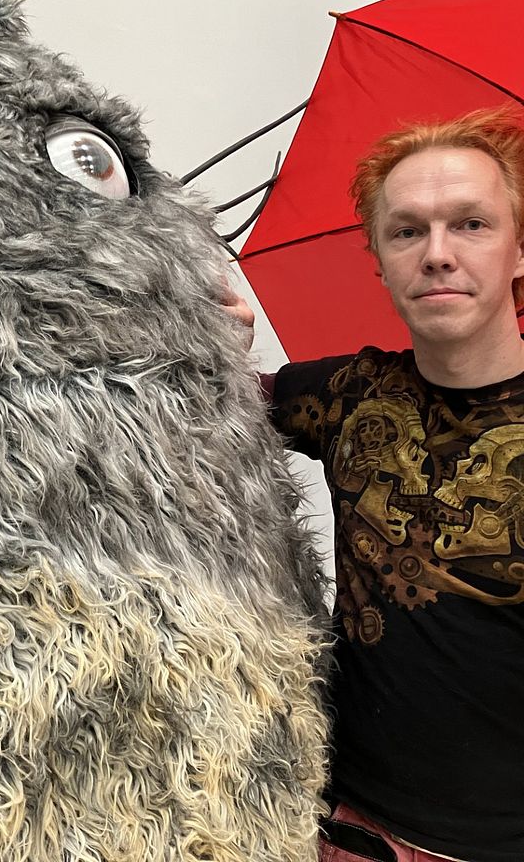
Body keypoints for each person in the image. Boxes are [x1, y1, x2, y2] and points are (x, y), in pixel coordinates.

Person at [222, 108, 524, 862]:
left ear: (520, 249)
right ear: (380, 261)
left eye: (472, 224)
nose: (438, 254)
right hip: (342, 828)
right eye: (407, 231)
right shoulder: (351, 395)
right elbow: (198, 411)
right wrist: (208, 342)